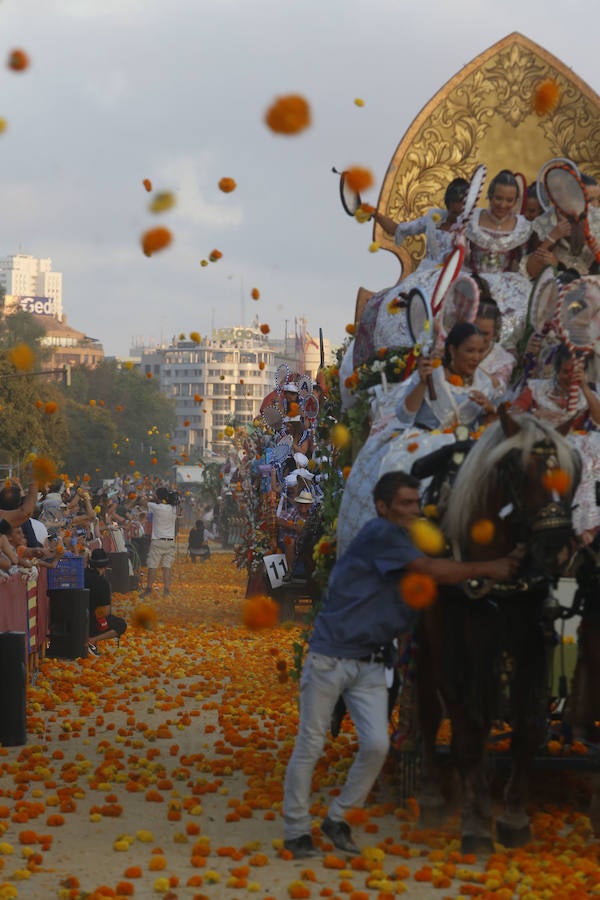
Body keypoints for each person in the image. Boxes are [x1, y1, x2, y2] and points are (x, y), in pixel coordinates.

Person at [283, 471, 520, 858]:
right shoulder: (382, 535)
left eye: (417, 502)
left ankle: (337, 818)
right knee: (310, 744)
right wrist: (489, 568)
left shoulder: (406, 539)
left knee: (377, 746)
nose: (415, 509)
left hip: (374, 662)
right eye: (407, 503)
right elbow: (431, 571)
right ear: (383, 507)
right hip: (332, 657)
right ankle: (296, 829)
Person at [513, 342, 600, 538]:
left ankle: (587, 528)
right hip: (540, 445)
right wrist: (534, 417)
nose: (570, 377)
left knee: (590, 463)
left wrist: (584, 386)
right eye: (565, 371)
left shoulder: (587, 394)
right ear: (556, 369)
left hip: (575, 448)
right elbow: (515, 411)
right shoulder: (537, 388)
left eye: (575, 372)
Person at [464, 169, 532, 348]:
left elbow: (524, 264)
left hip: (508, 283)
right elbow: (459, 255)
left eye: (509, 200)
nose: (503, 204)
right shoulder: (472, 218)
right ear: (490, 196)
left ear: (516, 201)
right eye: (498, 198)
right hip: (472, 278)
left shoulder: (523, 226)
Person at [372, 177, 469, 270]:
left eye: (461, 213)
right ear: (448, 207)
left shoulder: (472, 227)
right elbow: (395, 229)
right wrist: (374, 214)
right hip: (426, 275)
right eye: (454, 213)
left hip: (456, 277)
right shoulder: (434, 219)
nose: (458, 217)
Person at [84, 548, 127, 655]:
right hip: (92, 624)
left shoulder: (82, 574)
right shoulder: (103, 583)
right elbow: (106, 612)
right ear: (105, 567)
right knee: (121, 624)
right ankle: (92, 639)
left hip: (75, 620)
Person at [143, 487, 179, 597]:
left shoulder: (156, 507)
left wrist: (152, 498)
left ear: (158, 496)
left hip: (157, 541)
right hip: (170, 541)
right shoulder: (173, 508)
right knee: (167, 567)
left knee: (153, 566)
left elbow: (143, 502)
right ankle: (166, 590)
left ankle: (149, 589)